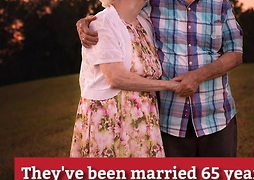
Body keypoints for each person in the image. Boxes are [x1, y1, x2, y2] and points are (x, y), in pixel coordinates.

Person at [77, 0, 243, 157]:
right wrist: (87, 22)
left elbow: (235, 54)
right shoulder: (153, 4)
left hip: (217, 114)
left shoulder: (221, 4)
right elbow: (117, 11)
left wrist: (197, 76)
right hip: (169, 119)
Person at [70, 0, 179, 157]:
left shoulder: (144, 21)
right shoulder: (102, 24)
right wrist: (170, 86)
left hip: (143, 118)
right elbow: (116, 78)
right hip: (111, 121)